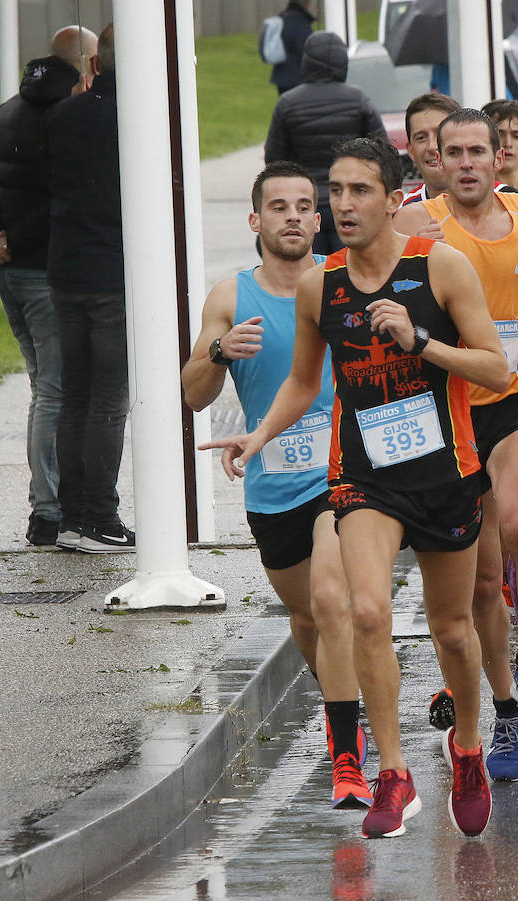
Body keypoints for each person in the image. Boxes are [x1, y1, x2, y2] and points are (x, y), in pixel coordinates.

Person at [203, 137, 510, 838]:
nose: (342, 205)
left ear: (395, 198)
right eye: (334, 191)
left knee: (452, 630)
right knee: (367, 612)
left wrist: (420, 343)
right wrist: (260, 435)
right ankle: (394, 775)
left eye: (358, 191)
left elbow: (494, 368)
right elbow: (305, 383)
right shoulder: (323, 288)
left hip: (444, 472)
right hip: (363, 476)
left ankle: (467, 747)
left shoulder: (441, 268)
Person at [394, 110, 518, 781]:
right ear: (438, 161)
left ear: (500, 154)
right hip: (452, 410)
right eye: (453, 153)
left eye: (478, 150)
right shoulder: (415, 229)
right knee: (482, 580)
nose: (468, 163)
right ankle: (504, 701)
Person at [182, 161, 369, 809]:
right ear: (257, 220)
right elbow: (192, 394)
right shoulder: (230, 298)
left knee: (331, 596)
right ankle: (344, 695)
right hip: (271, 483)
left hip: (346, 475)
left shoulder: (344, 283)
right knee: (308, 615)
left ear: (319, 219)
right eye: (279, 206)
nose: (293, 216)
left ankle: (346, 750)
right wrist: (218, 351)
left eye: (304, 206)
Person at [0, 26, 97, 548]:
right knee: (55, 392)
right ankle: (49, 510)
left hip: (9, 275)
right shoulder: (68, 118)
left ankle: (48, 500)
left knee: (43, 388)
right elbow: (61, 198)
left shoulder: (6, 111)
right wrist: (14, 241)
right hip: (46, 270)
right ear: (86, 65)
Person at [44, 24, 133, 554]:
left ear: (95, 65)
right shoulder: (137, 120)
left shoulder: (62, 116)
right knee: (108, 399)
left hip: (66, 270)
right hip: (111, 274)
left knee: (75, 394)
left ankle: (72, 512)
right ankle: (99, 512)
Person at [264, 31, 387, 254]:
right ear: (343, 62)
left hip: (306, 206)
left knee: (310, 276)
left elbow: (274, 162)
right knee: (349, 273)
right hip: (349, 204)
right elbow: (382, 153)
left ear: (306, 61)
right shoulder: (358, 99)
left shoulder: (288, 103)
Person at [269, 0, 316, 94]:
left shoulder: (281, 19)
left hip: (281, 77)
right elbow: (305, 50)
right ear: (305, 4)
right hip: (297, 78)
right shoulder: (301, 22)